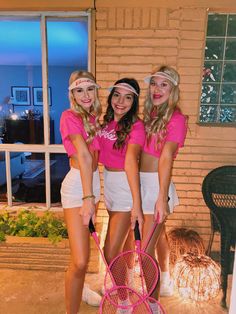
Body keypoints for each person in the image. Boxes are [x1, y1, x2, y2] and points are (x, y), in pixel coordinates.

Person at [140, 66, 188, 308]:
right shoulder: (151, 116)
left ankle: (152, 304)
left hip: (157, 188)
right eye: (154, 84)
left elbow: (167, 156)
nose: (157, 89)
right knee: (158, 237)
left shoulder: (176, 119)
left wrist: (161, 198)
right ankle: (166, 279)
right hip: (143, 185)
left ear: (173, 90)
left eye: (164, 85)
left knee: (145, 252)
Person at [95, 78, 145, 310]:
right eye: (117, 95)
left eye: (127, 97)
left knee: (110, 250)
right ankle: (127, 286)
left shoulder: (136, 126)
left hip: (126, 188)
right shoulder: (103, 123)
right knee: (124, 249)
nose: (121, 102)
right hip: (110, 187)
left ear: (134, 101)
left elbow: (131, 162)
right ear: (110, 97)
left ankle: (124, 300)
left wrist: (136, 203)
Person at [60, 70, 102, 314]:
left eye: (89, 89)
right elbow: (84, 156)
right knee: (80, 261)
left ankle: (82, 287)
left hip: (92, 183)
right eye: (79, 90)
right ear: (72, 94)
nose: (85, 95)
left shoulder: (94, 117)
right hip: (79, 187)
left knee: (83, 253)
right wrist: (88, 198)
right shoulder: (69, 116)